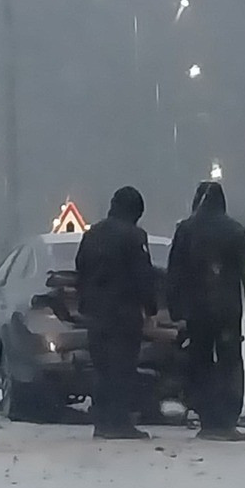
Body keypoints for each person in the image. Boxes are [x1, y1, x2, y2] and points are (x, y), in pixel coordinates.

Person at [167, 181, 245, 441]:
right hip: (228, 309)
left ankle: (207, 418)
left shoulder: (186, 230)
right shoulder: (235, 230)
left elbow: (174, 272)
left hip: (197, 310)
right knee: (230, 362)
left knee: (201, 361)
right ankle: (227, 419)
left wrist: (175, 308)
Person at [75, 186, 159, 439]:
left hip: (97, 313)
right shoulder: (134, 236)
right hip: (123, 313)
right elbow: (143, 275)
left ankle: (102, 422)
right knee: (122, 367)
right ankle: (119, 422)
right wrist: (150, 307)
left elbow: (81, 268)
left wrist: (85, 303)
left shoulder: (92, 234)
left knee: (102, 367)